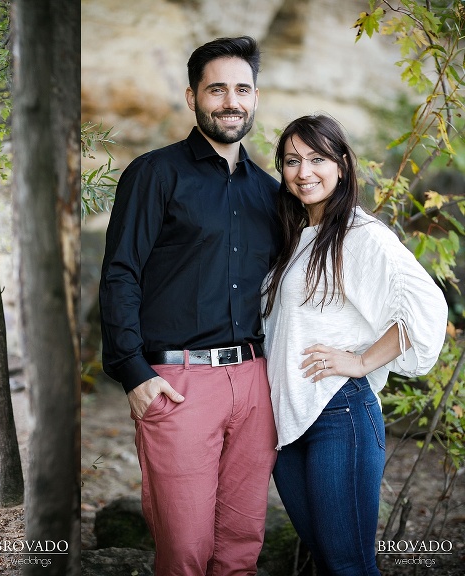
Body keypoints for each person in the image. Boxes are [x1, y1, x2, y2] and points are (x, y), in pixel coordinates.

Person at [99, 36, 281, 575]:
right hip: (178, 385)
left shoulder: (270, 193)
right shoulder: (154, 174)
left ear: (255, 98)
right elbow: (120, 274)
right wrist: (134, 373)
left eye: (242, 89)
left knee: (241, 546)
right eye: (217, 88)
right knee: (184, 551)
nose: (231, 100)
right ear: (192, 96)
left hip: (253, 383)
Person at [261, 114, 448, 574]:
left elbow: (426, 308)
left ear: (342, 165)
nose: (304, 171)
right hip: (290, 425)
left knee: (348, 565)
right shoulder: (299, 237)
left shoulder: (360, 235)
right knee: (329, 561)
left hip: (338, 415)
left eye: (317, 158)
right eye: (292, 160)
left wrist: (362, 361)